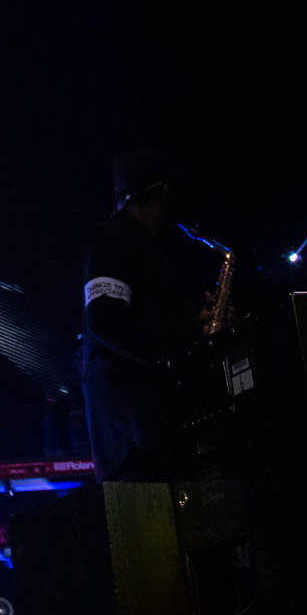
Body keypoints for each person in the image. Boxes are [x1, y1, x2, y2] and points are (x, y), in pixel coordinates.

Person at [80, 147, 214, 482]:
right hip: (131, 427)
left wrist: (196, 319)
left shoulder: (146, 246)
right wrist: (175, 347)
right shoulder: (113, 239)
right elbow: (104, 320)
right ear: (163, 191)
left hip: (145, 419)